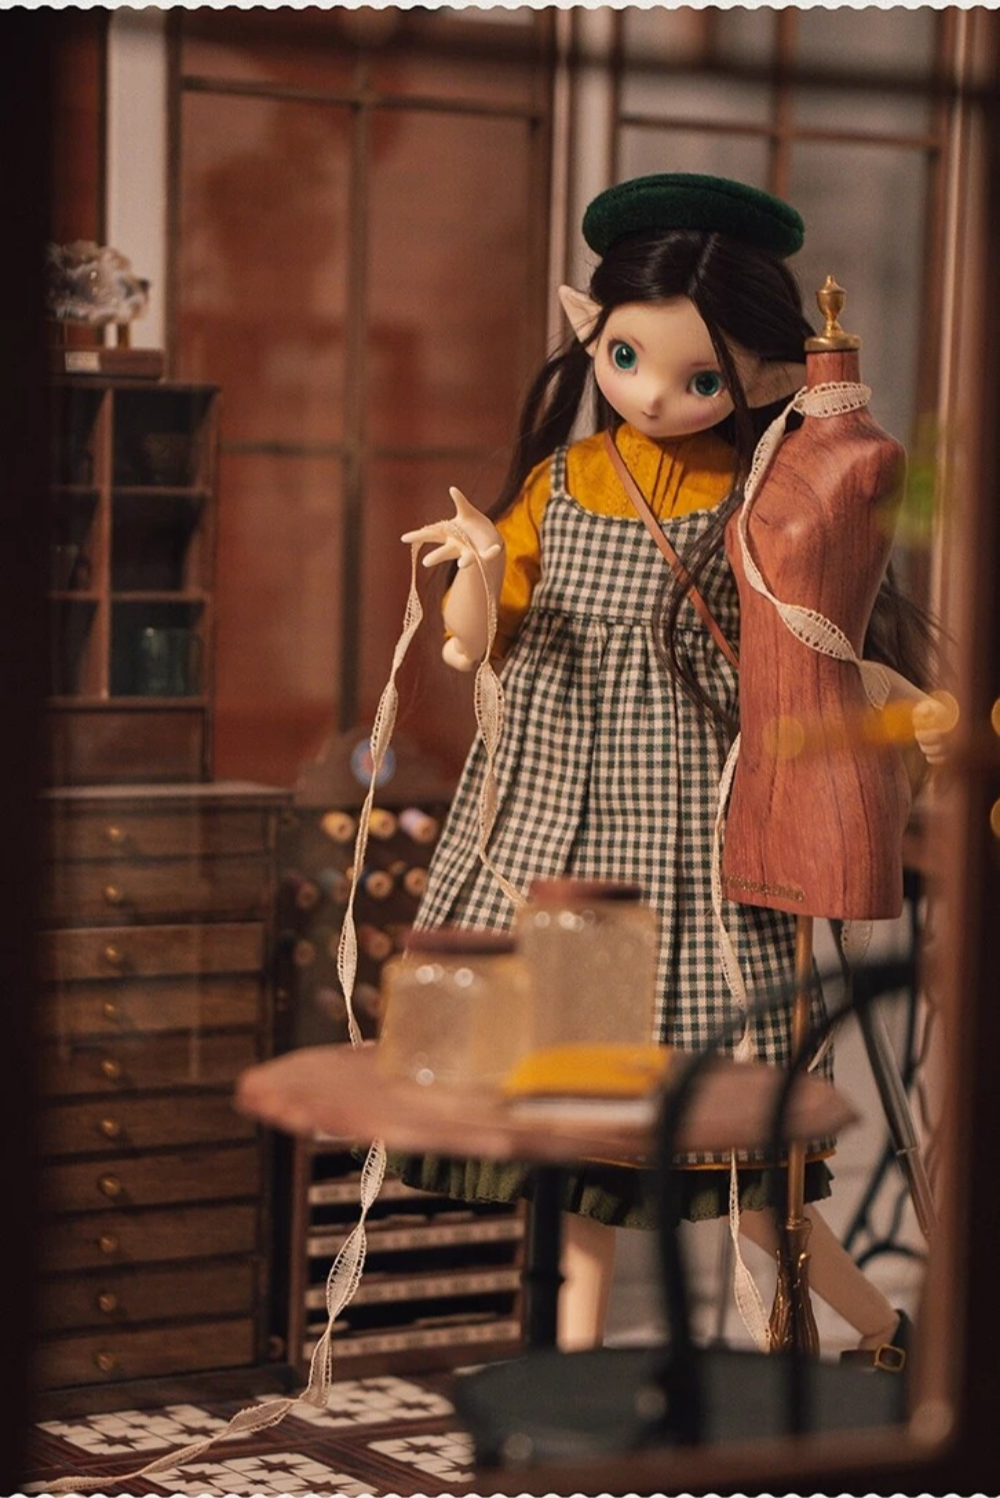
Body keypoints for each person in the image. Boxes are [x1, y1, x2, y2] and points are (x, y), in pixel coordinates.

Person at [394, 173, 944, 1359]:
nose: (652, 394)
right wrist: (480, 564)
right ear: (590, 333)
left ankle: (880, 1328)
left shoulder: (769, 499)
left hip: (705, 852)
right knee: (578, 1151)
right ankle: (572, 1374)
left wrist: (905, 713)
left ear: (764, 376)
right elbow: (469, 648)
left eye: (700, 378)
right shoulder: (557, 487)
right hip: (554, 846)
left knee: (745, 1160)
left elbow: (820, 659)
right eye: (626, 358)